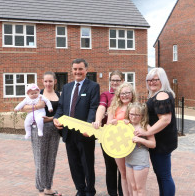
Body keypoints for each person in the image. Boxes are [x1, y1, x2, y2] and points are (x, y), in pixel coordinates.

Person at [53, 58, 100, 196]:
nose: (77, 72)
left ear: (86, 70)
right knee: (74, 164)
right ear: (72, 70)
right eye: (75, 69)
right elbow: (61, 107)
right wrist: (56, 118)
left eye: (80, 69)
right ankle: (80, 189)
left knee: (87, 164)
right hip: (68, 133)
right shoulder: (67, 88)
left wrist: (88, 127)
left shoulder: (93, 87)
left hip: (84, 133)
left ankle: (90, 191)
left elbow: (93, 107)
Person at [134, 68, 178, 196]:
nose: (151, 82)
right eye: (149, 80)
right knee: (161, 175)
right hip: (159, 142)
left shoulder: (161, 95)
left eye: (155, 79)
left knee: (164, 176)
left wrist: (147, 132)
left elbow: (165, 120)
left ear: (162, 80)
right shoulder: (157, 94)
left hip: (161, 143)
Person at [22, 72, 62, 196]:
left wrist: (51, 119)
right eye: (45, 81)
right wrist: (37, 107)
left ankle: (48, 188)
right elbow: (24, 108)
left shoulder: (60, 94)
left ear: (55, 81)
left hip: (54, 131)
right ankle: (40, 189)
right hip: (39, 130)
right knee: (40, 159)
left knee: (51, 159)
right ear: (42, 82)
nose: (48, 84)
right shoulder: (38, 95)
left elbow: (62, 112)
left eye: (50, 81)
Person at [92, 70, 124, 196]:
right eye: (113, 80)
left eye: (117, 80)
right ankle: (112, 193)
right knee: (110, 166)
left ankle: (123, 192)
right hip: (108, 136)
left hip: (123, 136)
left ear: (122, 81)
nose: (115, 82)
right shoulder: (105, 94)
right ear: (110, 81)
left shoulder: (126, 94)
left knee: (123, 168)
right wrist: (97, 120)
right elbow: (101, 107)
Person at [107, 82, 137, 196]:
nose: (125, 95)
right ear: (119, 95)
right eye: (122, 93)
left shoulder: (136, 107)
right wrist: (113, 122)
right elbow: (108, 125)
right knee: (123, 173)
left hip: (132, 145)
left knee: (132, 174)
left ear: (132, 94)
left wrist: (131, 123)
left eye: (128, 93)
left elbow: (141, 124)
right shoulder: (113, 108)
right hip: (118, 144)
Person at [124, 102, 155, 196]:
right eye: (131, 114)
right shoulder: (127, 125)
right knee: (133, 187)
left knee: (140, 189)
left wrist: (140, 139)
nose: (133, 117)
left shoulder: (146, 126)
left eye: (137, 115)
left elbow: (153, 144)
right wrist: (116, 122)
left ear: (142, 115)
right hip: (128, 160)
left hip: (140, 161)